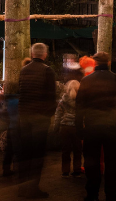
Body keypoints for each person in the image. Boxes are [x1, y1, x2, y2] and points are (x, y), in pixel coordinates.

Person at [76, 52, 116, 201]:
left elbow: (79, 106)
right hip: (112, 127)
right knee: (112, 162)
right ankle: (111, 193)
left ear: (95, 63)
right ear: (109, 63)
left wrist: (79, 127)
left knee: (91, 162)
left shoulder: (86, 80)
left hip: (92, 127)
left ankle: (92, 193)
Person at [17, 43, 57, 198]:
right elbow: (51, 97)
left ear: (32, 54)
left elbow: (21, 93)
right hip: (40, 118)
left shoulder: (23, 70)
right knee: (37, 155)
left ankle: (22, 188)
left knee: (24, 153)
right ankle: (33, 188)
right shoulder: (48, 71)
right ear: (44, 54)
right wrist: (48, 115)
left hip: (24, 117)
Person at [54, 79, 83, 177]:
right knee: (77, 150)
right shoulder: (81, 102)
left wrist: (56, 128)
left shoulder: (62, 101)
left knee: (65, 150)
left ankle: (65, 170)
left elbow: (58, 115)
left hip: (64, 127)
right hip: (76, 127)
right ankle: (77, 170)